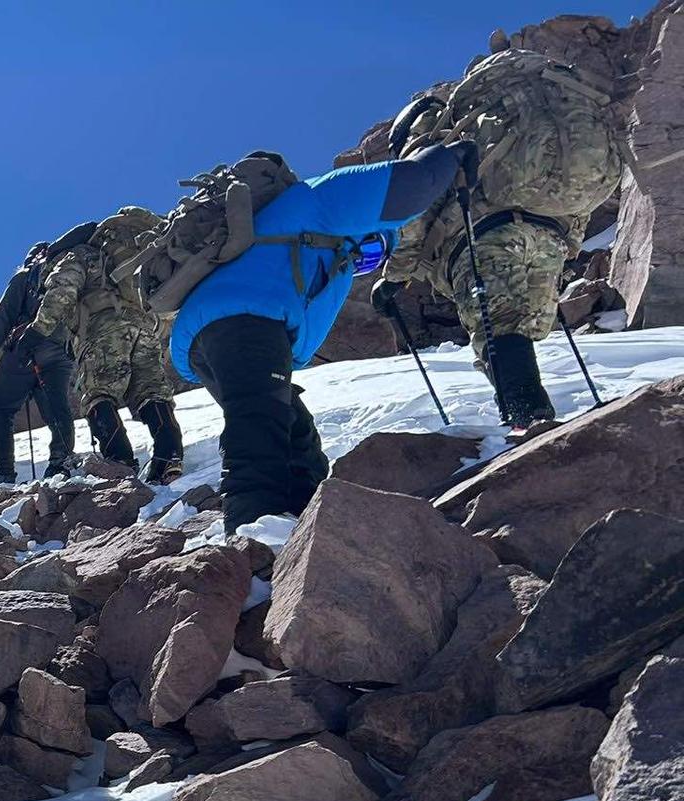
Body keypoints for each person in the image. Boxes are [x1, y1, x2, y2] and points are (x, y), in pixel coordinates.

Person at [170, 139, 477, 530]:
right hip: (246, 322)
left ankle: (308, 524)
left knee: (295, 432)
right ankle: (251, 537)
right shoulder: (319, 198)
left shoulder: (276, 224)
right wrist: (450, 156)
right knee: (259, 422)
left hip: (205, 339)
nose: (361, 266)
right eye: (369, 252)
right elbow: (411, 184)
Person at [370, 51, 624, 430]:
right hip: (549, 235)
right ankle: (536, 417)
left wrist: (393, 278)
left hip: (487, 238)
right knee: (522, 331)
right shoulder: (501, 136)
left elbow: (414, 217)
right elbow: (574, 202)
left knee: (500, 329)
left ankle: (528, 418)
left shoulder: (433, 148)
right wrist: (567, 245)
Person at [0, 229, 90, 482]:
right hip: (61, 349)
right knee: (56, 406)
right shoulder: (71, 270)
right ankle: (60, 463)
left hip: (24, 349)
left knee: (0, 410)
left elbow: (2, 320)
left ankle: (4, 474)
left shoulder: (25, 277)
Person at [75, 208, 187, 483]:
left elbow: (63, 290)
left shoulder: (88, 253)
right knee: (151, 391)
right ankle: (169, 456)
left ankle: (119, 459)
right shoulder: (143, 244)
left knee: (100, 393)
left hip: (104, 328)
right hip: (146, 325)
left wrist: (42, 329)